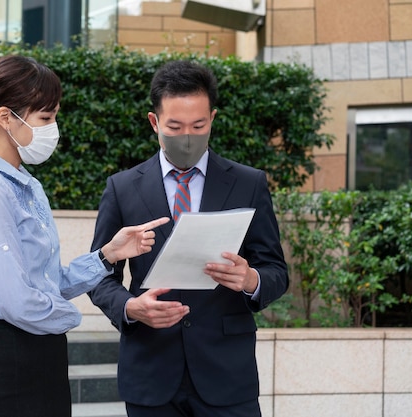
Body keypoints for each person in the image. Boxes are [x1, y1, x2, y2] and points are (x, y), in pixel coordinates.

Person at [0, 55, 169, 417]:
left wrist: (108, 255)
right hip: (10, 356)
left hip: (43, 352)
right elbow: (17, 300)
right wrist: (73, 319)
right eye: (46, 118)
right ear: (6, 118)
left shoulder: (28, 186)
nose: (53, 128)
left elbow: (47, 281)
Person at [88, 60, 289, 417]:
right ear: (154, 123)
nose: (187, 137)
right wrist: (129, 307)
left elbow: (275, 269)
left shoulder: (248, 183)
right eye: (175, 126)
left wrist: (251, 279)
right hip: (150, 372)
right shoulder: (122, 188)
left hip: (227, 375)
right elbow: (100, 274)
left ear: (212, 118)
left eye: (198, 126)